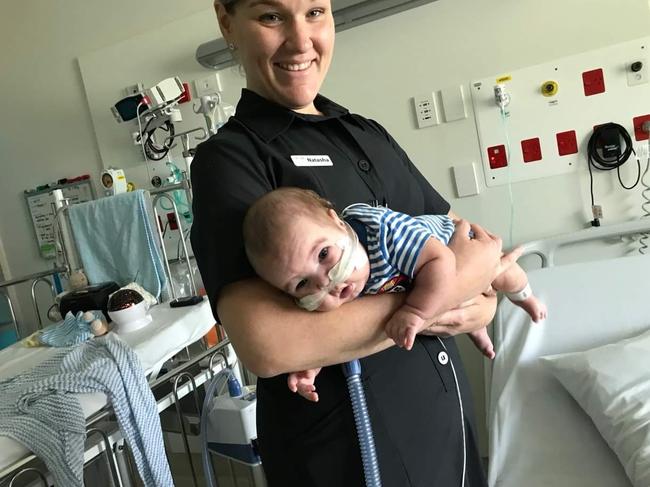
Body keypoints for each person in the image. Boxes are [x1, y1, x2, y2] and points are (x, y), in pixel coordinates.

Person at [190, 0, 514, 485]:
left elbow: (464, 239)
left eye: (316, 12)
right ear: (226, 22)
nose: (301, 42)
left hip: (445, 437)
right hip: (348, 456)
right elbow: (269, 343)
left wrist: (482, 304)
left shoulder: (368, 135)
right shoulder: (232, 162)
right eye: (271, 16)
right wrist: (453, 287)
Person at [242, 187, 546, 401]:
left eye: (323, 254)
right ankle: (477, 328)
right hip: (427, 283)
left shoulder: (384, 234)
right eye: (301, 285)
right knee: (461, 307)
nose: (327, 282)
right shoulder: (340, 284)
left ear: (338, 223)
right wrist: (311, 365)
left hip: (449, 247)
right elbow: (330, 337)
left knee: (506, 273)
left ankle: (527, 296)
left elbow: (441, 262)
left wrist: (415, 313)